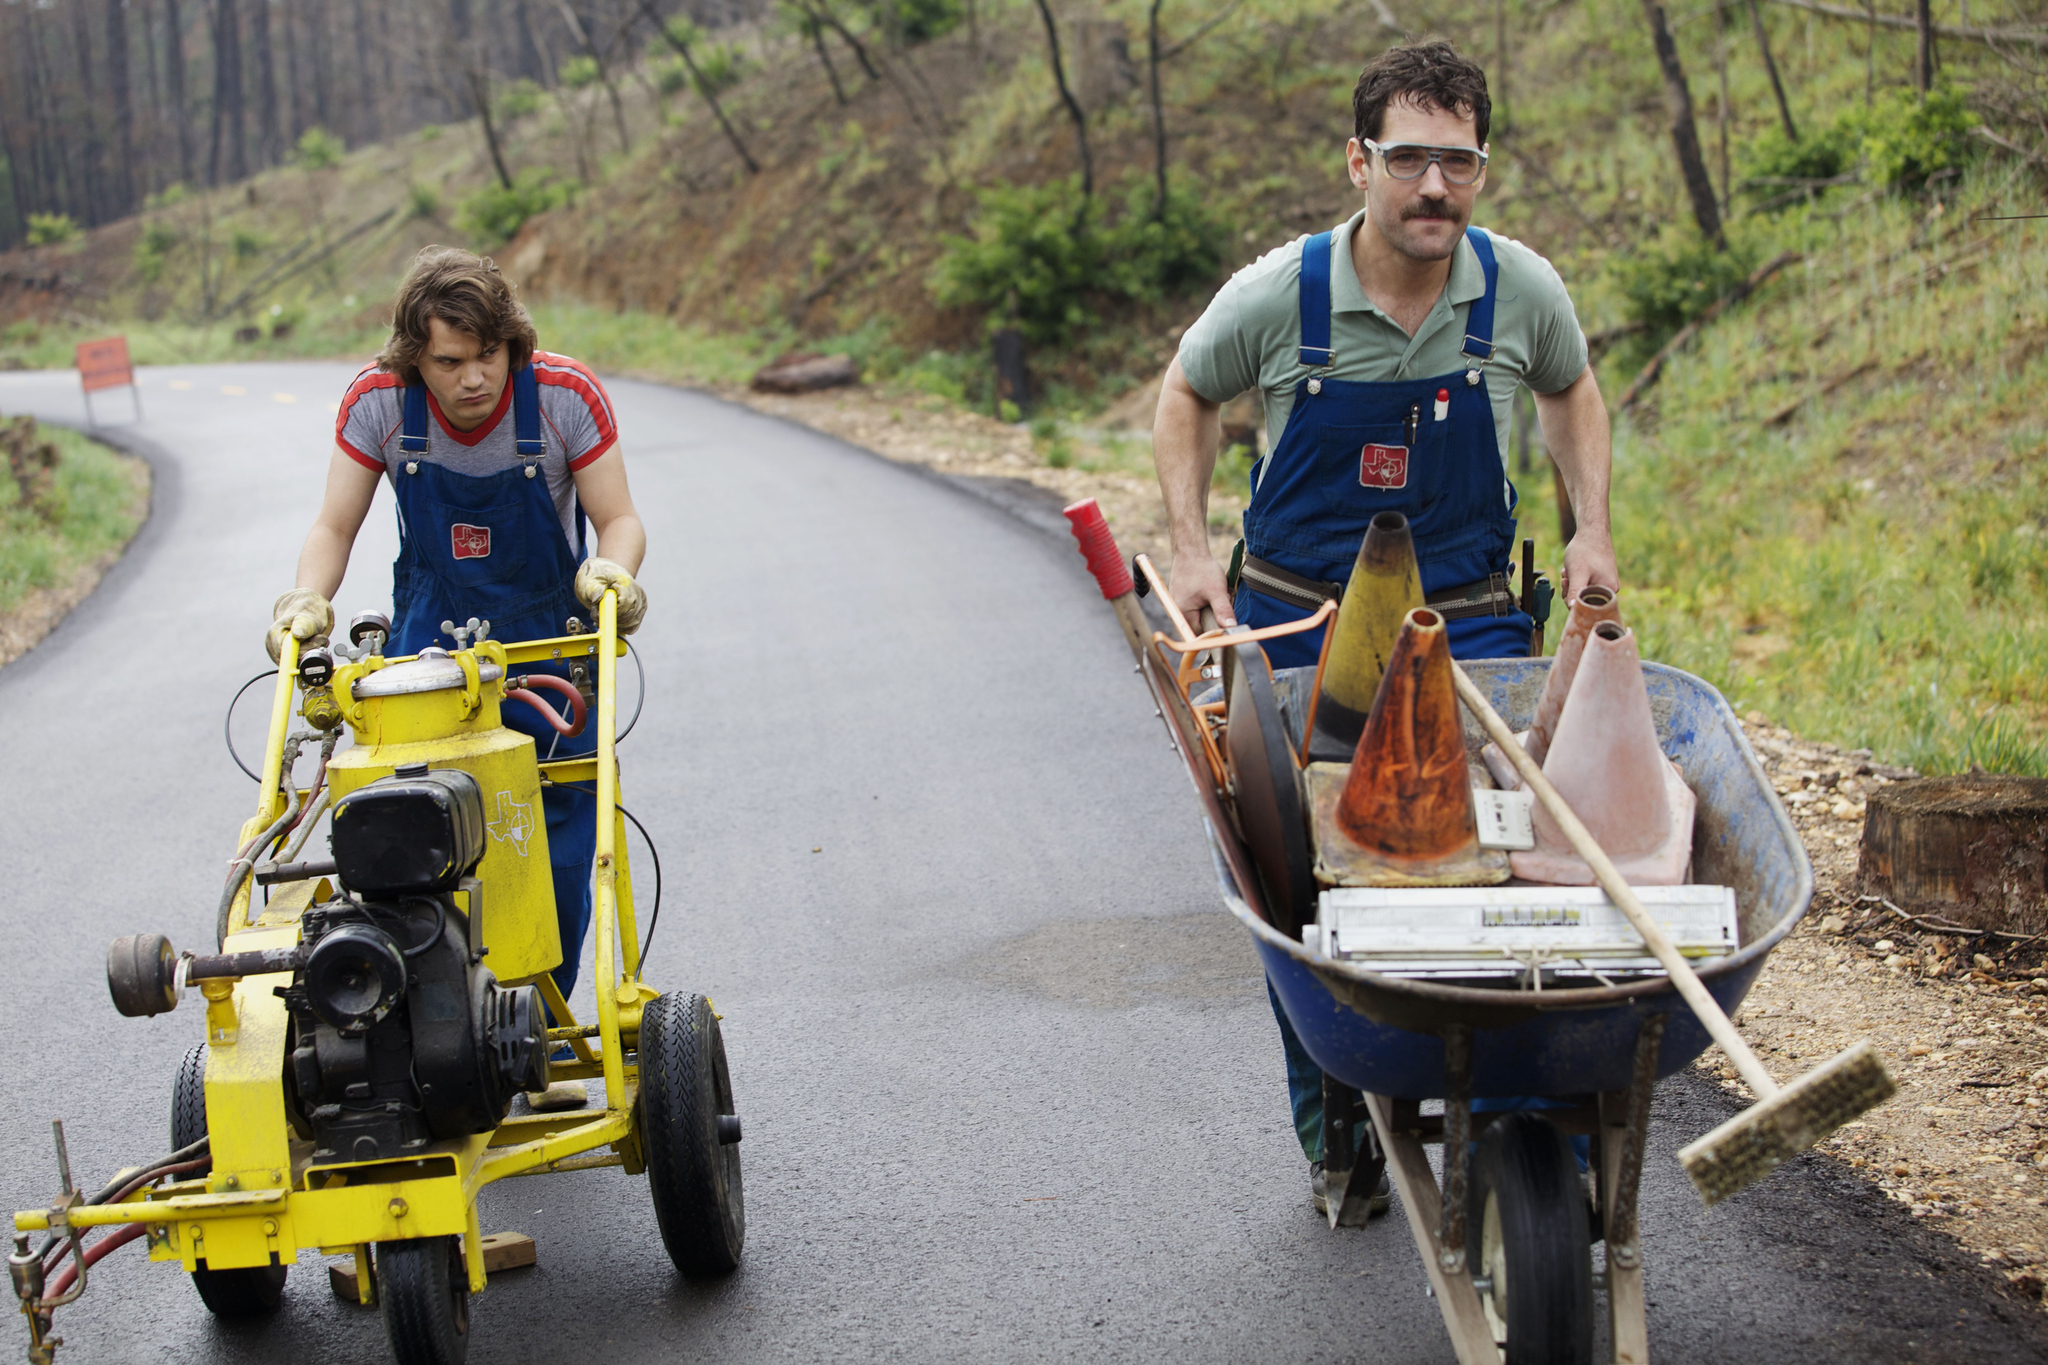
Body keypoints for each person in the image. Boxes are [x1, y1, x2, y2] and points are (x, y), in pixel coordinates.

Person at [1151, 41, 1617, 1216]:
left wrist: (1589, 530)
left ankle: (1526, 1130)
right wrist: (1197, 552)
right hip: (1298, 632)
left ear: (1480, 171)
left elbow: (1567, 389)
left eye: (1454, 164)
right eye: (1406, 159)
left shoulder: (1519, 292)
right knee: (1294, 885)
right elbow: (1186, 394)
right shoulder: (1278, 294)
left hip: (1467, 627)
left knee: (1505, 863)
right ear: (1358, 162)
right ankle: (1339, 1129)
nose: (1430, 189)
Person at [268, 246, 648, 1112]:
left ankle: (536, 1030)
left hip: (546, 659)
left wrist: (612, 576)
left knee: (548, 847)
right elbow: (335, 523)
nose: (473, 378)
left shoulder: (563, 398)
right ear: (414, 357)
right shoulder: (377, 405)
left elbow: (617, 518)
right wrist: (304, 599)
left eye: (489, 355)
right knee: (413, 840)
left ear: (512, 344)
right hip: (426, 664)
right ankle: (431, 1035)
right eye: (449, 361)